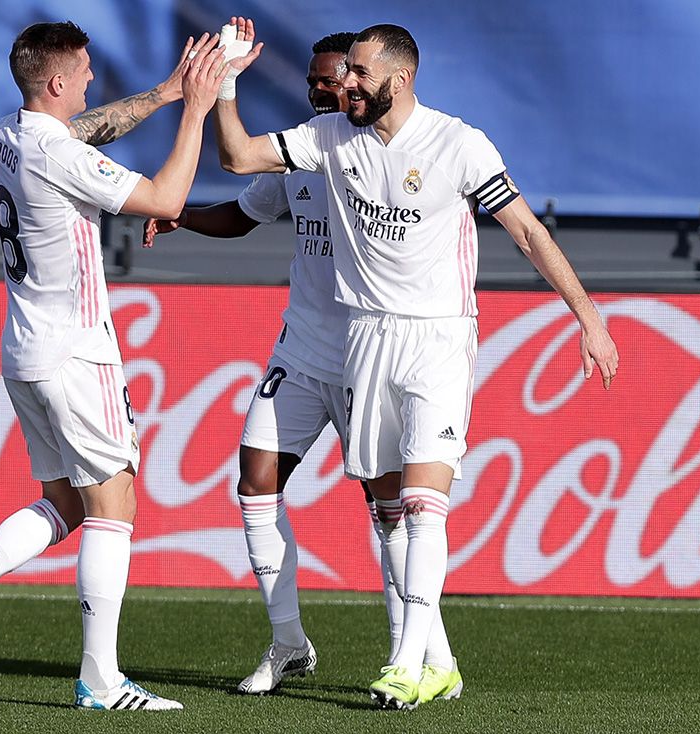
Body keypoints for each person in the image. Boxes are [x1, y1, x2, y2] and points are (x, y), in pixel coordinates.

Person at [211, 18, 619, 709]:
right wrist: (224, 83)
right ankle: (440, 663)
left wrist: (589, 316)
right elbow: (238, 160)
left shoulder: (458, 143)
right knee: (393, 511)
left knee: (427, 502)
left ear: (399, 79)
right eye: (345, 74)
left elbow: (525, 230)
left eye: (359, 73)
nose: (346, 84)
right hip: (365, 340)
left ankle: (407, 663)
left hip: (437, 339)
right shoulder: (330, 137)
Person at [0, 22, 228, 711]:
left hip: (24, 347)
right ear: (55, 82)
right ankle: (100, 680)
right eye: (81, 72)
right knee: (114, 507)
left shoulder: (8, 134)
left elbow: (84, 131)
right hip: (78, 352)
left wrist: (167, 92)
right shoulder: (54, 150)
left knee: (64, 502)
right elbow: (167, 199)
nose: (90, 82)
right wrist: (197, 110)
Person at [144, 30, 453, 696]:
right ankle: (288, 643)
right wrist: (185, 219)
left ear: (360, 82)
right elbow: (248, 211)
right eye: (312, 82)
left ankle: (427, 656)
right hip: (303, 349)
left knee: (393, 509)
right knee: (256, 478)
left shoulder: (385, 151)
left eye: (332, 80)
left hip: (374, 351)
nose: (320, 91)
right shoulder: (302, 151)